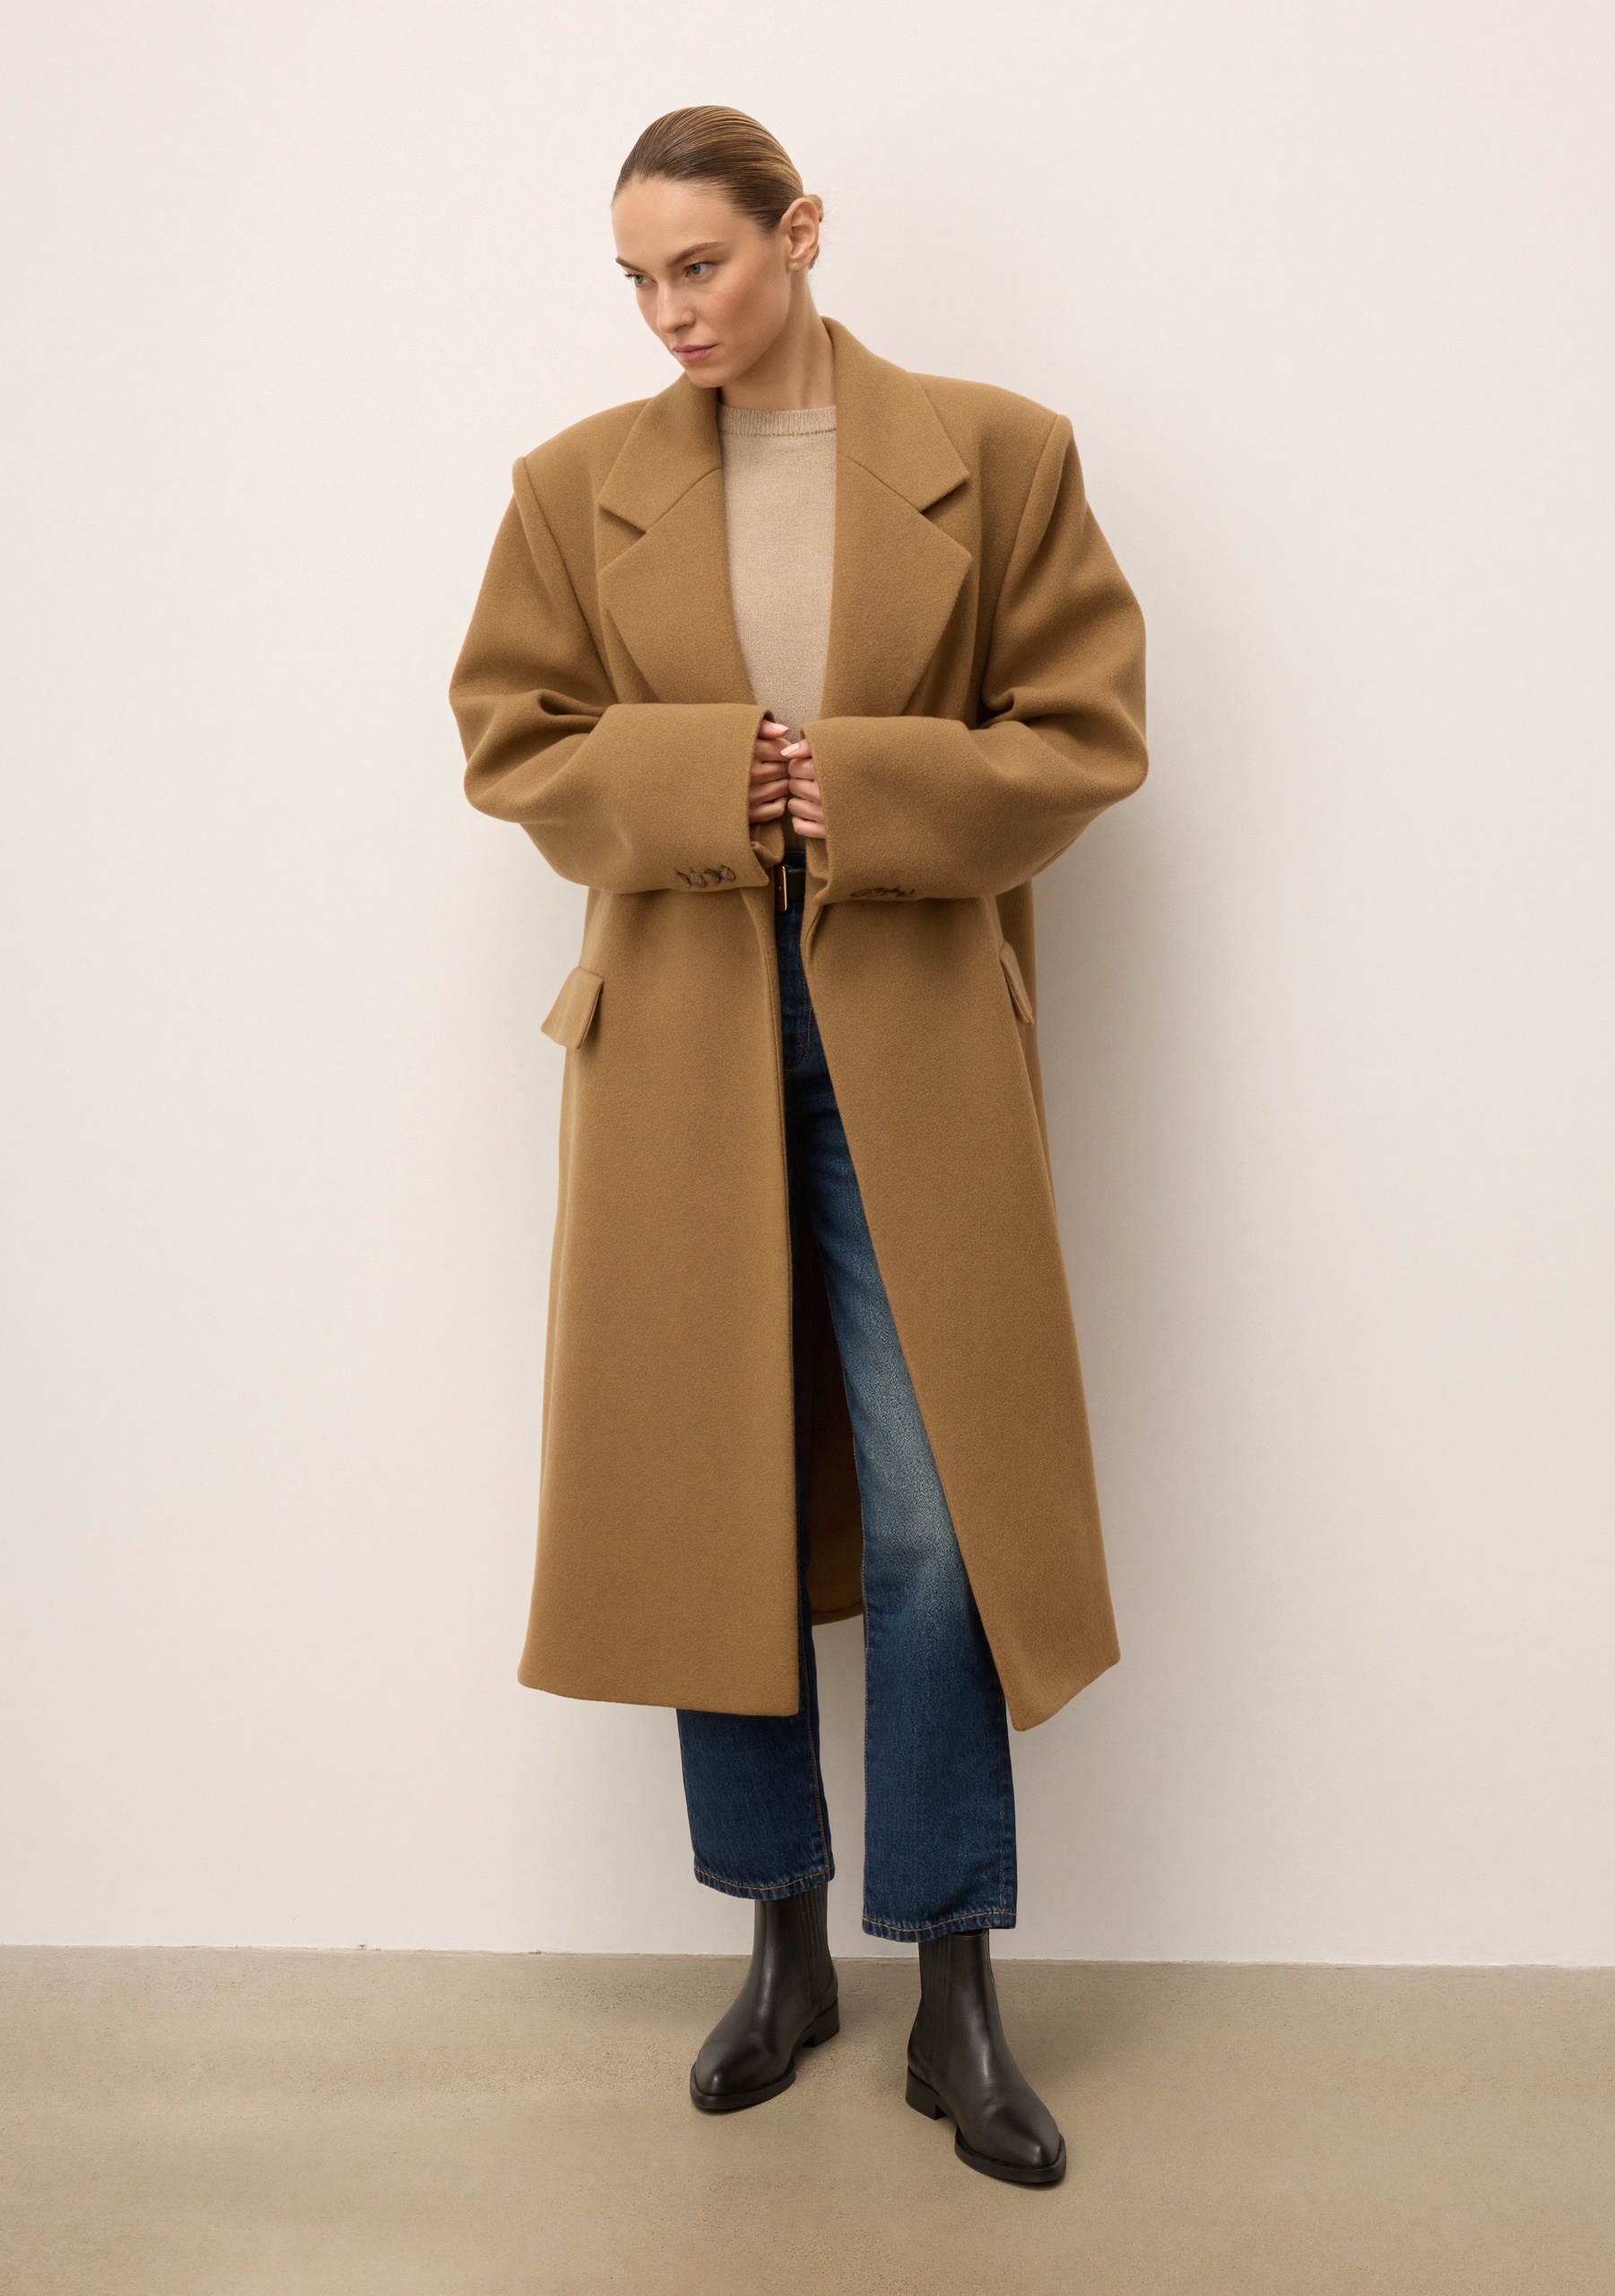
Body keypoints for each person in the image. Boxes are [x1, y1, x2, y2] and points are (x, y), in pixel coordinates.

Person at [448, 105, 1149, 2187]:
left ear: (800, 233)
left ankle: (951, 1978)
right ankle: (777, 1940)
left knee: (938, 1509)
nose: (670, 310)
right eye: (639, 278)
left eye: (703, 264)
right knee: (713, 1493)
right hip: (679, 1035)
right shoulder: (573, 485)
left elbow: (1086, 731)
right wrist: (711, 780)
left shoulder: (998, 454)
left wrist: (865, 784)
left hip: (913, 1030)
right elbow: (512, 738)